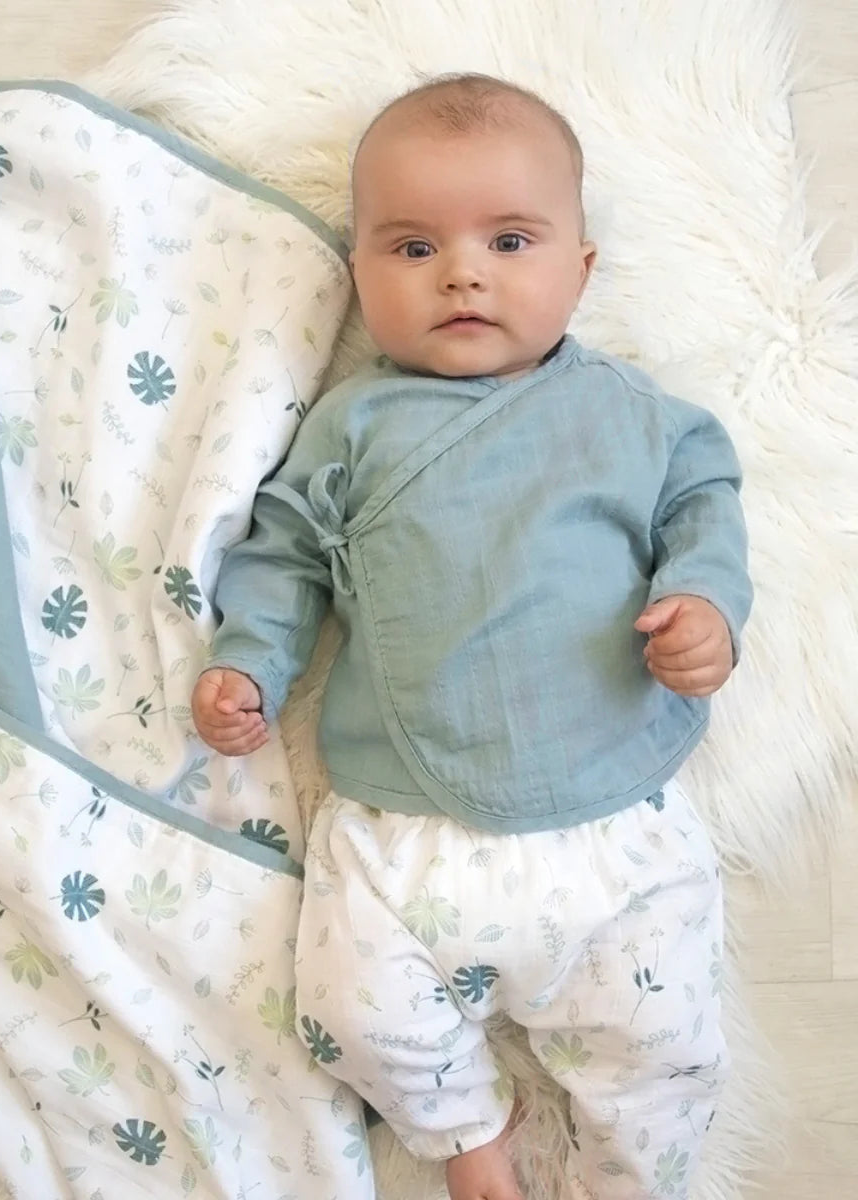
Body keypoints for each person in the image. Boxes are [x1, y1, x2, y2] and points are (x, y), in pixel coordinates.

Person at [191, 73, 751, 1200]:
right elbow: (285, 553)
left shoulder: (634, 414)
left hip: (613, 828)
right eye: (412, 247)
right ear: (358, 274)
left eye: (509, 240)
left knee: (669, 1045)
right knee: (349, 1011)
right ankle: (466, 1135)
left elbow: (705, 500)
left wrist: (705, 605)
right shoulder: (353, 424)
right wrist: (251, 657)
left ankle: (626, 1178)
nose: (462, 272)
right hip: (404, 836)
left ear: (580, 268)